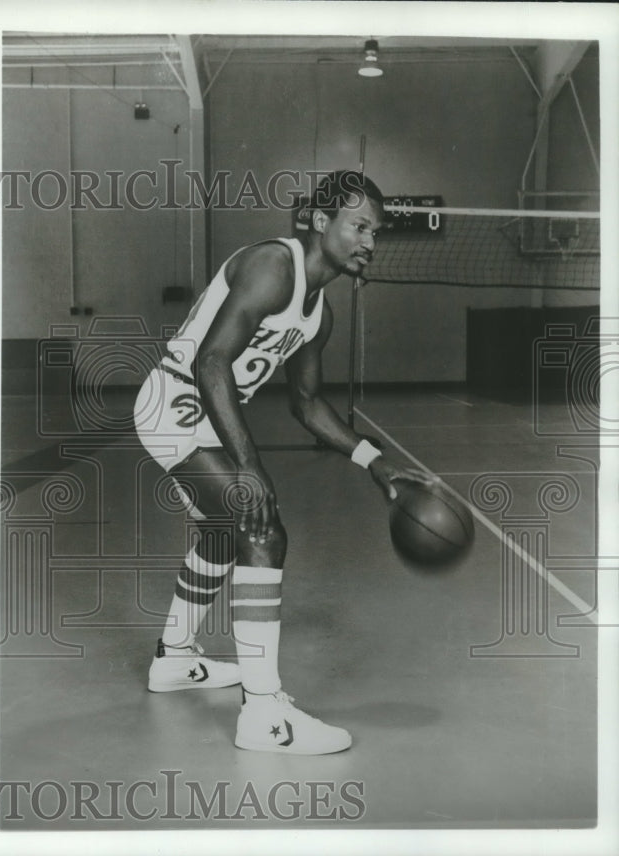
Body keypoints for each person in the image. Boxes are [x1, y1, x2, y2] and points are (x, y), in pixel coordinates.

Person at [134, 170, 431, 754]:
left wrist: (374, 461)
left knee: (221, 537)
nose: (370, 240)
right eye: (359, 225)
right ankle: (265, 717)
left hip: (197, 413)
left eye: (377, 230)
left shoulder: (318, 314)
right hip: (175, 404)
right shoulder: (275, 266)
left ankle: (173, 659)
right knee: (261, 530)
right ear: (321, 222)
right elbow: (212, 363)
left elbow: (306, 403)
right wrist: (249, 466)